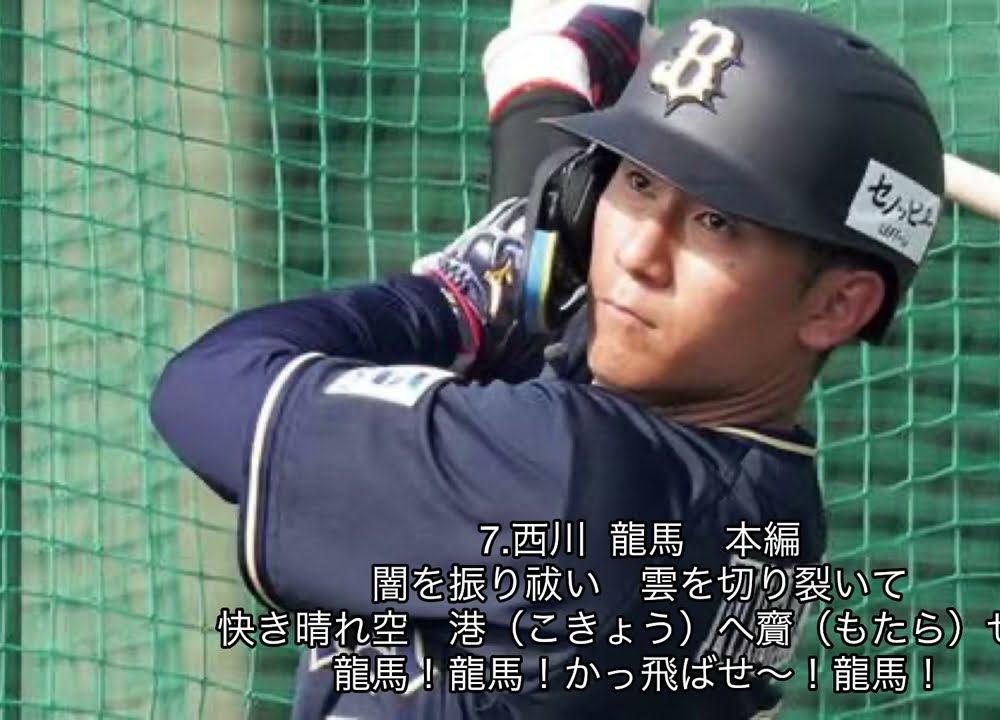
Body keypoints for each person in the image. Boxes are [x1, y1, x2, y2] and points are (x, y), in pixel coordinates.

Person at [148, 1, 945, 718]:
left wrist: (454, 298)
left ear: (837, 306)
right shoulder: (770, 507)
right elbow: (548, 337)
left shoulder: (561, 471)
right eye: (637, 182)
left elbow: (208, 390)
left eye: (716, 222)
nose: (638, 253)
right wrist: (542, 92)